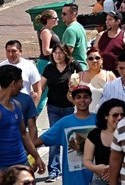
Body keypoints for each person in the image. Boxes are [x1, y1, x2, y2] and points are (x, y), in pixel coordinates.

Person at [33, 85, 97, 185]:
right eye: (78, 97)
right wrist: (33, 156)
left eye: (85, 97)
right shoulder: (64, 123)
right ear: (73, 100)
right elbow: (40, 141)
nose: (82, 100)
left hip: (96, 177)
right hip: (72, 180)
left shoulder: (99, 121)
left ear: (91, 99)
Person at [39, 44, 82, 181]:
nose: (57, 55)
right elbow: (41, 86)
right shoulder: (49, 68)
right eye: (55, 53)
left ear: (66, 54)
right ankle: (54, 169)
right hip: (53, 108)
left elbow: (83, 83)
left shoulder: (73, 67)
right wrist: (35, 99)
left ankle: (74, 168)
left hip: (69, 108)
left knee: (72, 139)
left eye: (60, 53)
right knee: (55, 138)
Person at [0, 65, 46, 174]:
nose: (21, 86)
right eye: (20, 82)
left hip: (22, 163)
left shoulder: (16, 105)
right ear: (13, 84)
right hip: (4, 167)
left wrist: (36, 157)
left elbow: (24, 134)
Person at [62, 3, 89, 68]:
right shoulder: (79, 26)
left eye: (64, 14)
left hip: (75, 69)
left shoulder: (70, 30)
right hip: (83, 66)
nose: (62, 16)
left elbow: (67, 52)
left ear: (73, 14)